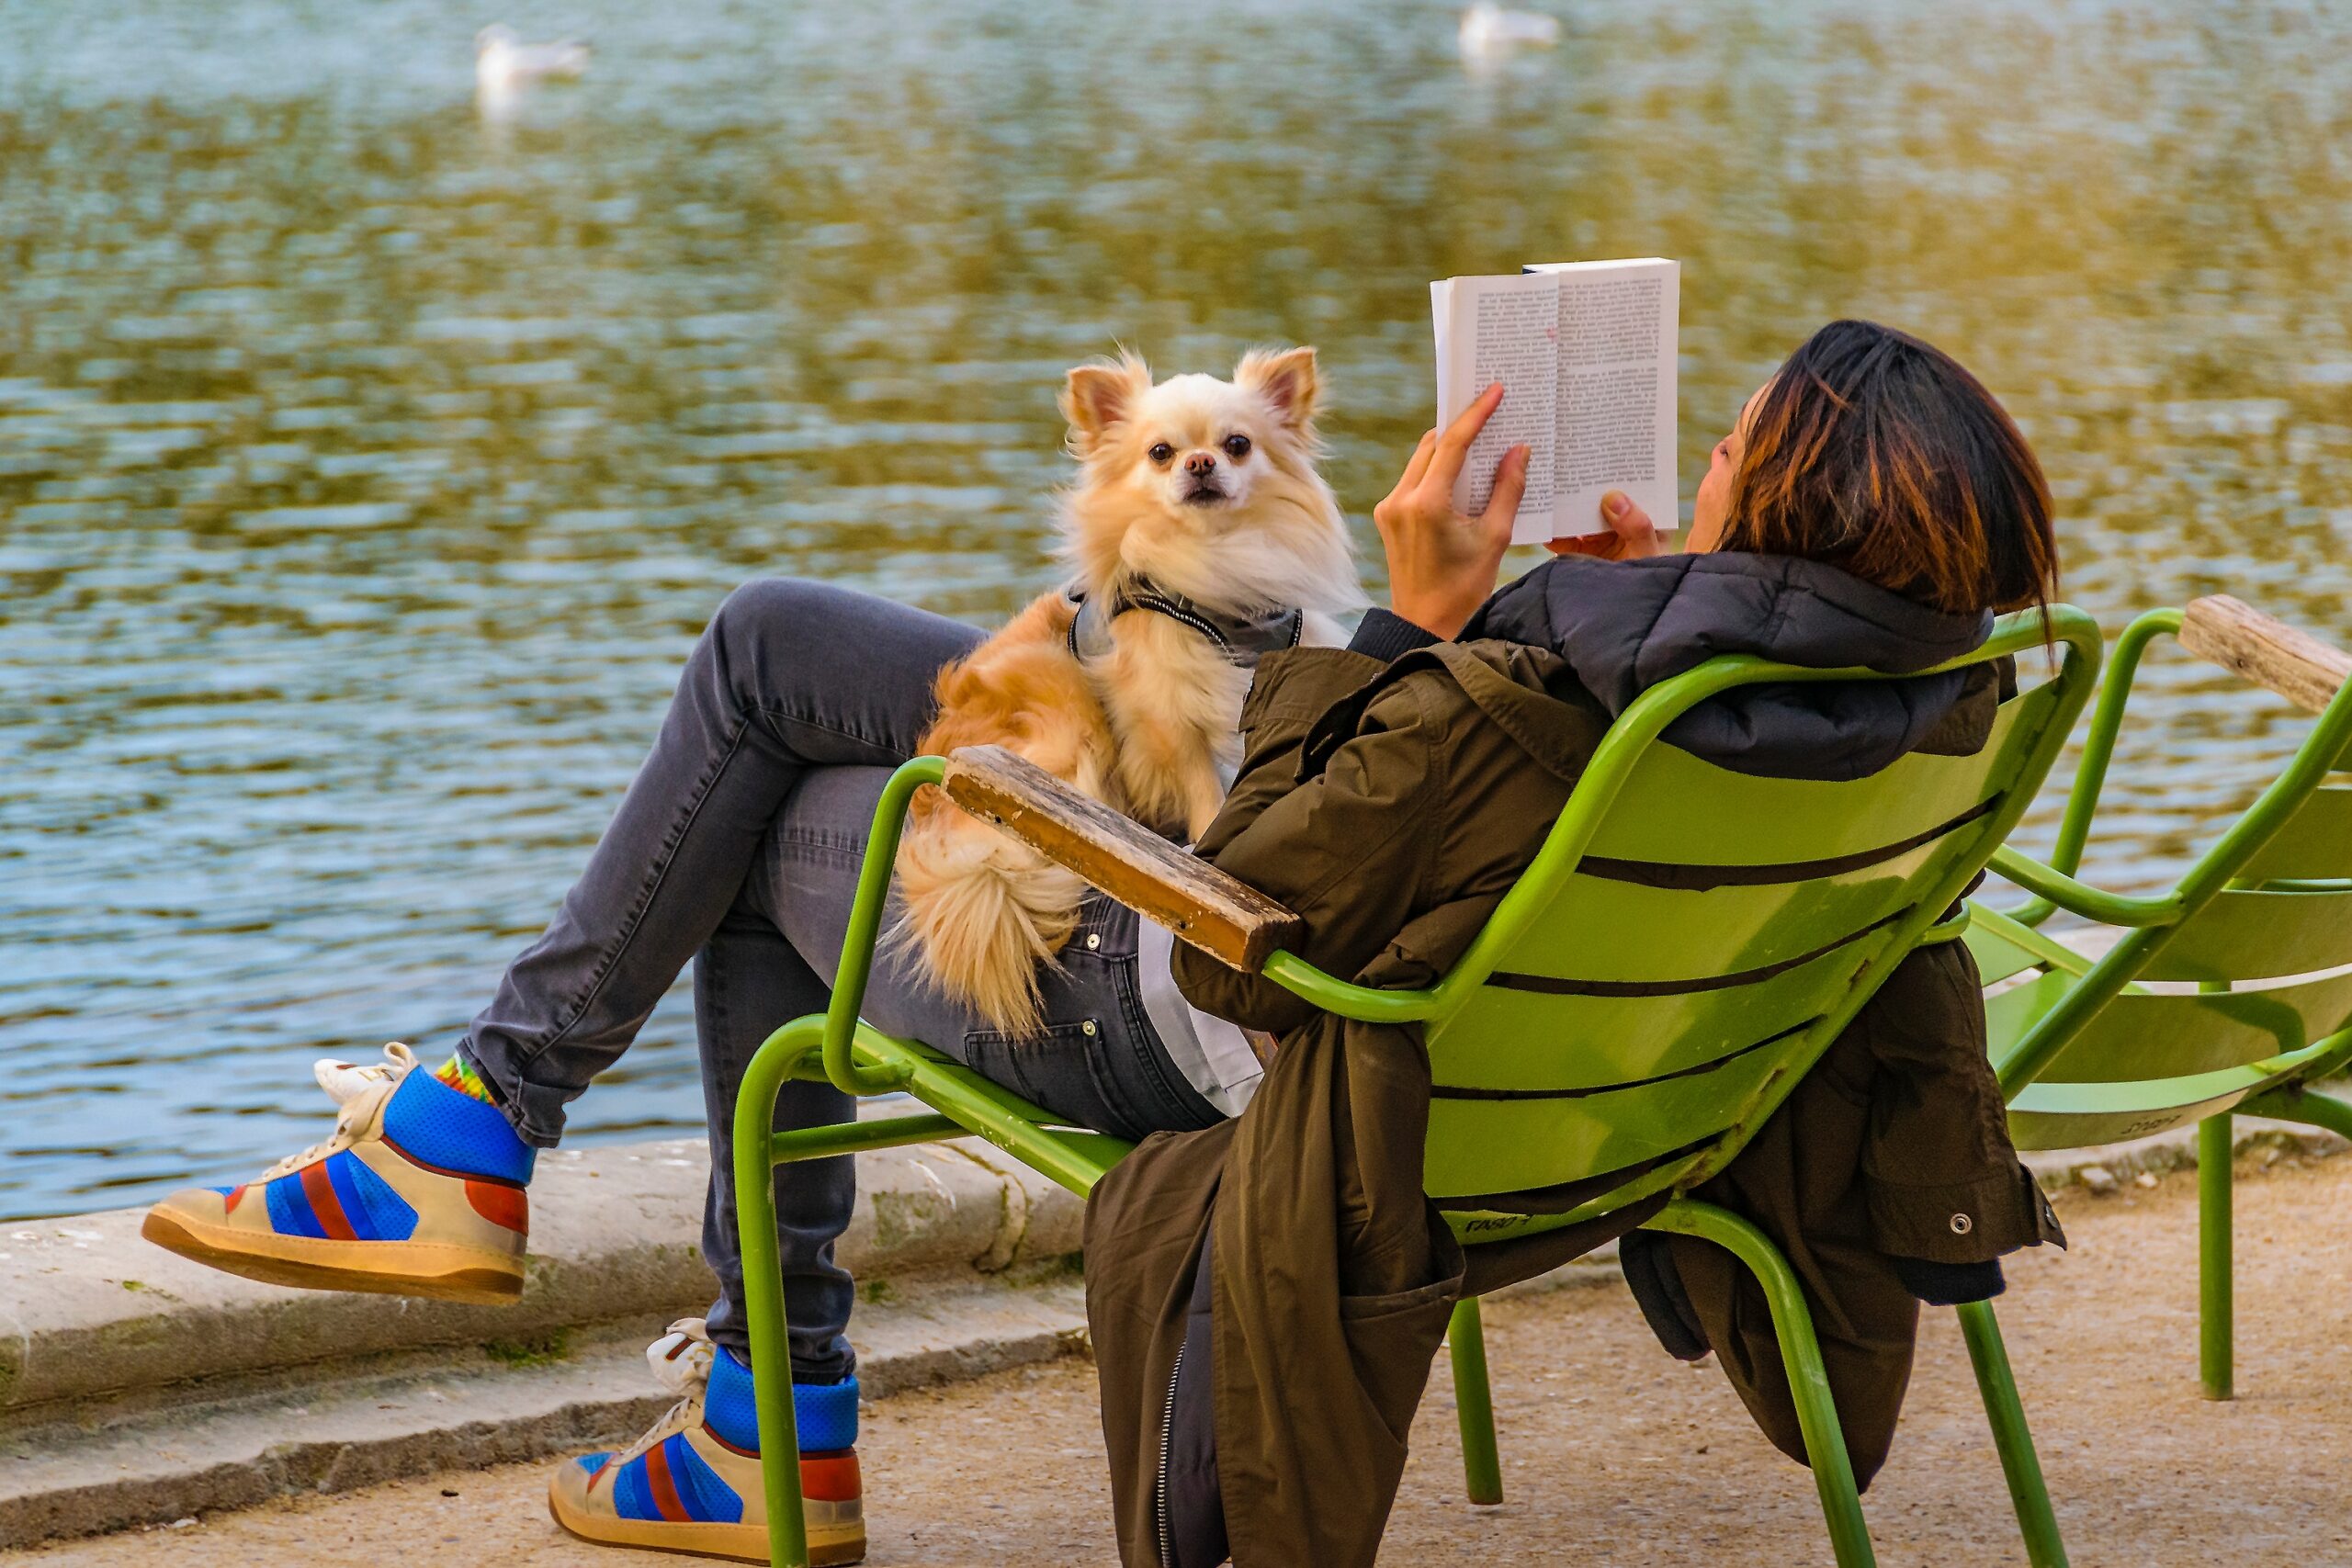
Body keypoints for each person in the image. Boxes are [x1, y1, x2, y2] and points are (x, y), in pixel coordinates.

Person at [144, 318, 2057, 1567]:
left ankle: (592, 1244)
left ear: (1778, 498)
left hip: (1207, 1025)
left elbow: (1261, 893)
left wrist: (1418, 625)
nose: (1704, 462)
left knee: (765, 771)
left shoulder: (1588, 669)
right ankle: (616, 1274)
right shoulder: (1895, 704)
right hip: (1570, 1115)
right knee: (781, 651)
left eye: (1729, 447)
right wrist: (1606, 611)